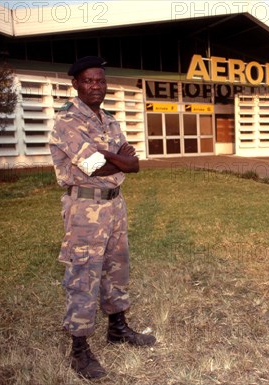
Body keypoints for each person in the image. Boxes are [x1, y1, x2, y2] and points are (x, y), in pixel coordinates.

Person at [49, 56, 155, 380]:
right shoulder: (66, 121)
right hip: (85, 211)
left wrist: (111, 157)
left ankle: (118, 328)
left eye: (100, 80)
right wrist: (115, 158)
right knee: (83, 275)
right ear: (76, 85)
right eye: (89, 81)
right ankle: (79, 350)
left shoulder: (109, 121)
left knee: (116, 267)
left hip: (114, 206)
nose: (96, 86)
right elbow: (94, 166)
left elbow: (132, 164)